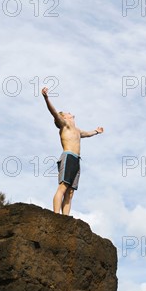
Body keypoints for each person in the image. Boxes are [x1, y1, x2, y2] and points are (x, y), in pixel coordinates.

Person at [41, 87, 104, 215]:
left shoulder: (77, 130)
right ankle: (55, 215)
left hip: (76, 160)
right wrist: (46, 98)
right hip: (68, 157)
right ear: (63, 117)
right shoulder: (65, 125)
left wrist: (96, 132)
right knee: (63, 187)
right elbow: (53, 112)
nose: (70, 112)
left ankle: (65, 219)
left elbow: (86, 134)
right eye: (67, 112)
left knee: (70, 192)